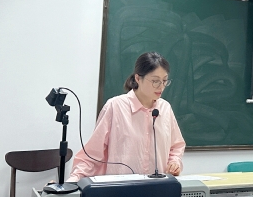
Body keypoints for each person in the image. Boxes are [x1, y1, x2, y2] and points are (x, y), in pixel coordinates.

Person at [67, 52, 186, 182]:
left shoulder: (165, 108)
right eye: (155, 81)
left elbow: (176, 146)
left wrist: (174, 162)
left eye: (164, 81)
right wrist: (73, 181)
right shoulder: (115, 106)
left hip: (158, 187)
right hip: (120, 188)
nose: (161, 86)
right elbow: (92, 155)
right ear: (138, 78)